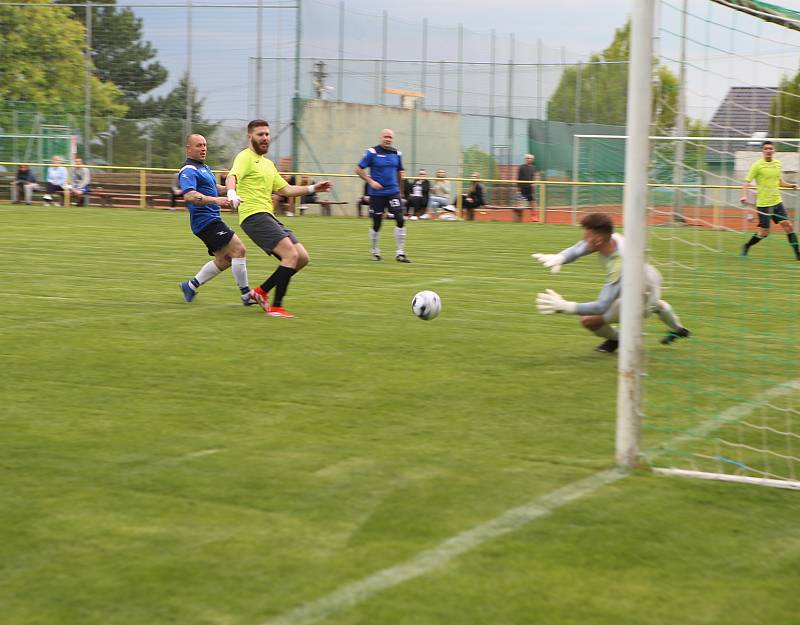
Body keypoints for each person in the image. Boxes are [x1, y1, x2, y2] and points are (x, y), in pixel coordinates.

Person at [533, 212, 691, 353]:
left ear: (598, 241)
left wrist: (566, 306)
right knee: (654, 303)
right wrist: (561, 257)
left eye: (586, 236)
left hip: (641, 294)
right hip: (651, 278)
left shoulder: (619, 264)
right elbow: (579, 248)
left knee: (589, 321)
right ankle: (679, 328)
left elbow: (601, 305)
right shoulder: (611, 238)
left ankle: (620, 339)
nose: (583, 239)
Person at [225, 119, 332, 318]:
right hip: (253, 216)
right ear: (250, 137)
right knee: (290, 255)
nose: (265, 138)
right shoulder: (244, 157)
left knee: (302, 258)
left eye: (267, 134)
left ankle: (260, 292)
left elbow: (286, 189)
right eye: (260, 134)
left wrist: (312, 188)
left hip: (268, 216)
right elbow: (232, 176)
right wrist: (231, 193)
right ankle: (276, 307)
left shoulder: (268, 164)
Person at [177, 134, 255, 307]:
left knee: (226, 259)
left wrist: (231, 191)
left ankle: (190, 286)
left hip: (211, 220)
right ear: (188, 149)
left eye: (205, 145)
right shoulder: (189, 170)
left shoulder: (204, 167)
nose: (203, 148)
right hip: (205, 222)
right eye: (199, 145)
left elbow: (214, 189)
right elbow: (190, 195)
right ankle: (246, 295)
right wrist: (216, 200)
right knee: (239, 250)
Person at [355, 128, 411, 262]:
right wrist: (371, 182)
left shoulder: (397, 153)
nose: (388, 139)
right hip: (377, 194)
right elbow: (358, 169)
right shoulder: (372, 152)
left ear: (393, 139)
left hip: (393, 192)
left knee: (400, 218)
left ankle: (400, 253)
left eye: (390, 137)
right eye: (386, 137)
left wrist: (401, 191)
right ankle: (374, 251)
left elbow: (400, 172)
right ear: (381, 138)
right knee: (377, 223)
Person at [739, 141, 800, 260]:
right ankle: (746, 246)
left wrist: (791, 185)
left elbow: (780, 182)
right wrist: (744, 195)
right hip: (763, 205)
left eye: (770, 148)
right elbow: (746, 182)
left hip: (777, 202)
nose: (768, 150)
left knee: (788, 226)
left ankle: (797, 254)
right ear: (762, 151)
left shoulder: (777, 164)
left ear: (773, 151)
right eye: (766, 148)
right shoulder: (757, 165)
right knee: (764, 233)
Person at [516, 153, 536, 222]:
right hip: (522, 188)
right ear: (525, 159)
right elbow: (518, 179)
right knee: (520, 204)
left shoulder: (533, 168)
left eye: (530, 158)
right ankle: (519, 218)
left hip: (529, 189)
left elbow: (533, 177)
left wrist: (533, 183)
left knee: (532, 203)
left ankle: (533, 216)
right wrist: (518, 190)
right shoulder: (521, 167)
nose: (528, 159)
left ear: (532, 160)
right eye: (527, 158)